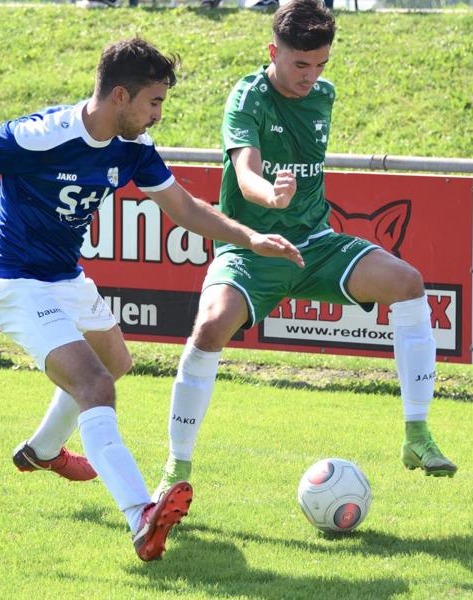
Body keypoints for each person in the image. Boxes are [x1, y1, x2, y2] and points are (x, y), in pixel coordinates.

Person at [0, 37, 303, 561]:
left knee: (116, 360)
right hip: (15, 284)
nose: (157, 115)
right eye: (154, 102)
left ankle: (41, 451)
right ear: (121, 96)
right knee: (95, 385)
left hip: (66, 278)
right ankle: (140, 514)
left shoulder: (133, 150)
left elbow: (185, 208)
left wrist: (250, 238)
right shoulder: (41, 135)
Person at [153, 0, 456, 501]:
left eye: (320, 66)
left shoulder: (323, 96)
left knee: (408, 283)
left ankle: (417, 436)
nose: (310, 77)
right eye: (300, 65)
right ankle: (176, 466)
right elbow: (246, 170)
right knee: (209, 327)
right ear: (273, 52)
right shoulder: (247, 97)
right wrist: (268, 194)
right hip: (253, 249)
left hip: (315, 244)